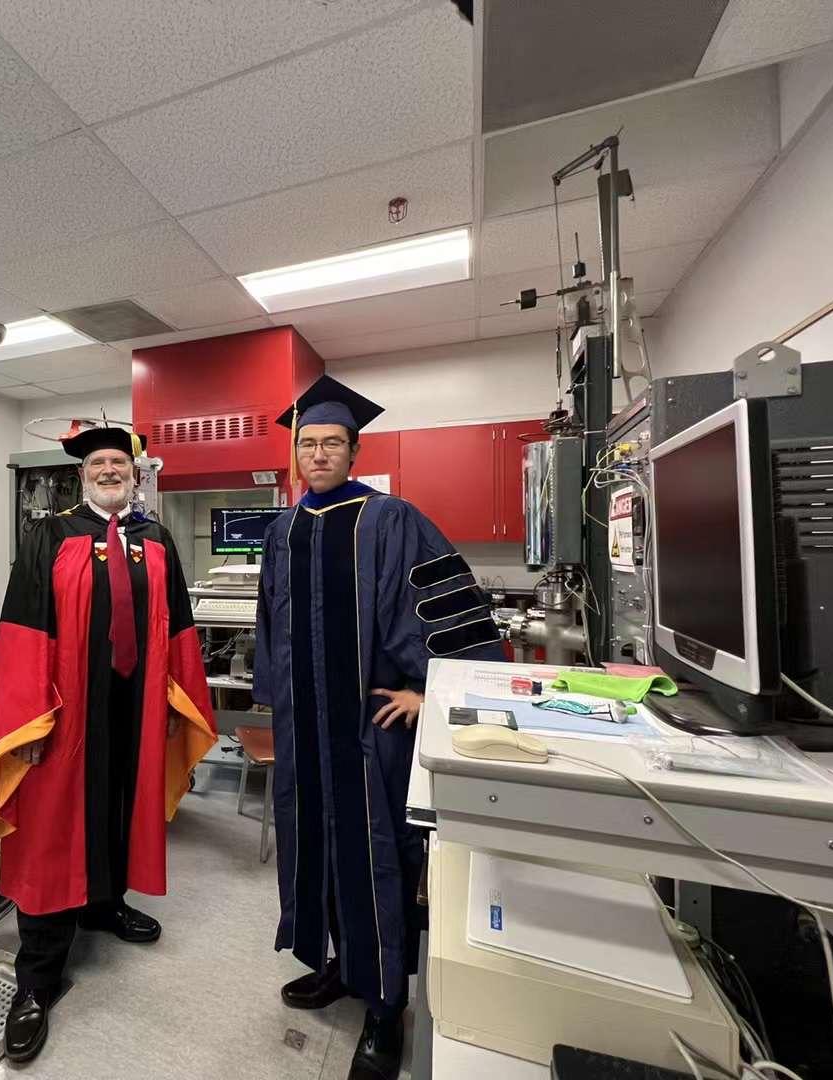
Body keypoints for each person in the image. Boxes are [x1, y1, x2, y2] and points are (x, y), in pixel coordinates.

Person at [253, 376, 506, 1080]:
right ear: (296, 454)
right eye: (308, 444)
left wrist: (434, 693)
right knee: (318, 850)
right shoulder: (284, 531)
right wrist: (277, 705)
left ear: (354, 450)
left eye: (332, 443)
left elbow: (451, 617)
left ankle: (387, 1005)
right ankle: (340, 963)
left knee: (376, 857)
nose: (319, 454)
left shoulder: (392, 521)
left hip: (370, 734)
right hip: (308, 734)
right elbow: (271, 628)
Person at [0, 425, 217, 1064]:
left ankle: (105, 907)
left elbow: (181, 626)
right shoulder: (50, 536)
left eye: (120, 463)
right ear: (82, 475)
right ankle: (38, 975)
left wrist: (174, 702)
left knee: (117, 810)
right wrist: (28, 723)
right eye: (99, 463)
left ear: (136, 476)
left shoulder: (156, 540)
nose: (110, 470)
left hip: (133, 710)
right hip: (65, 713)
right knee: (53, 830)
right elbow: (24, 632)